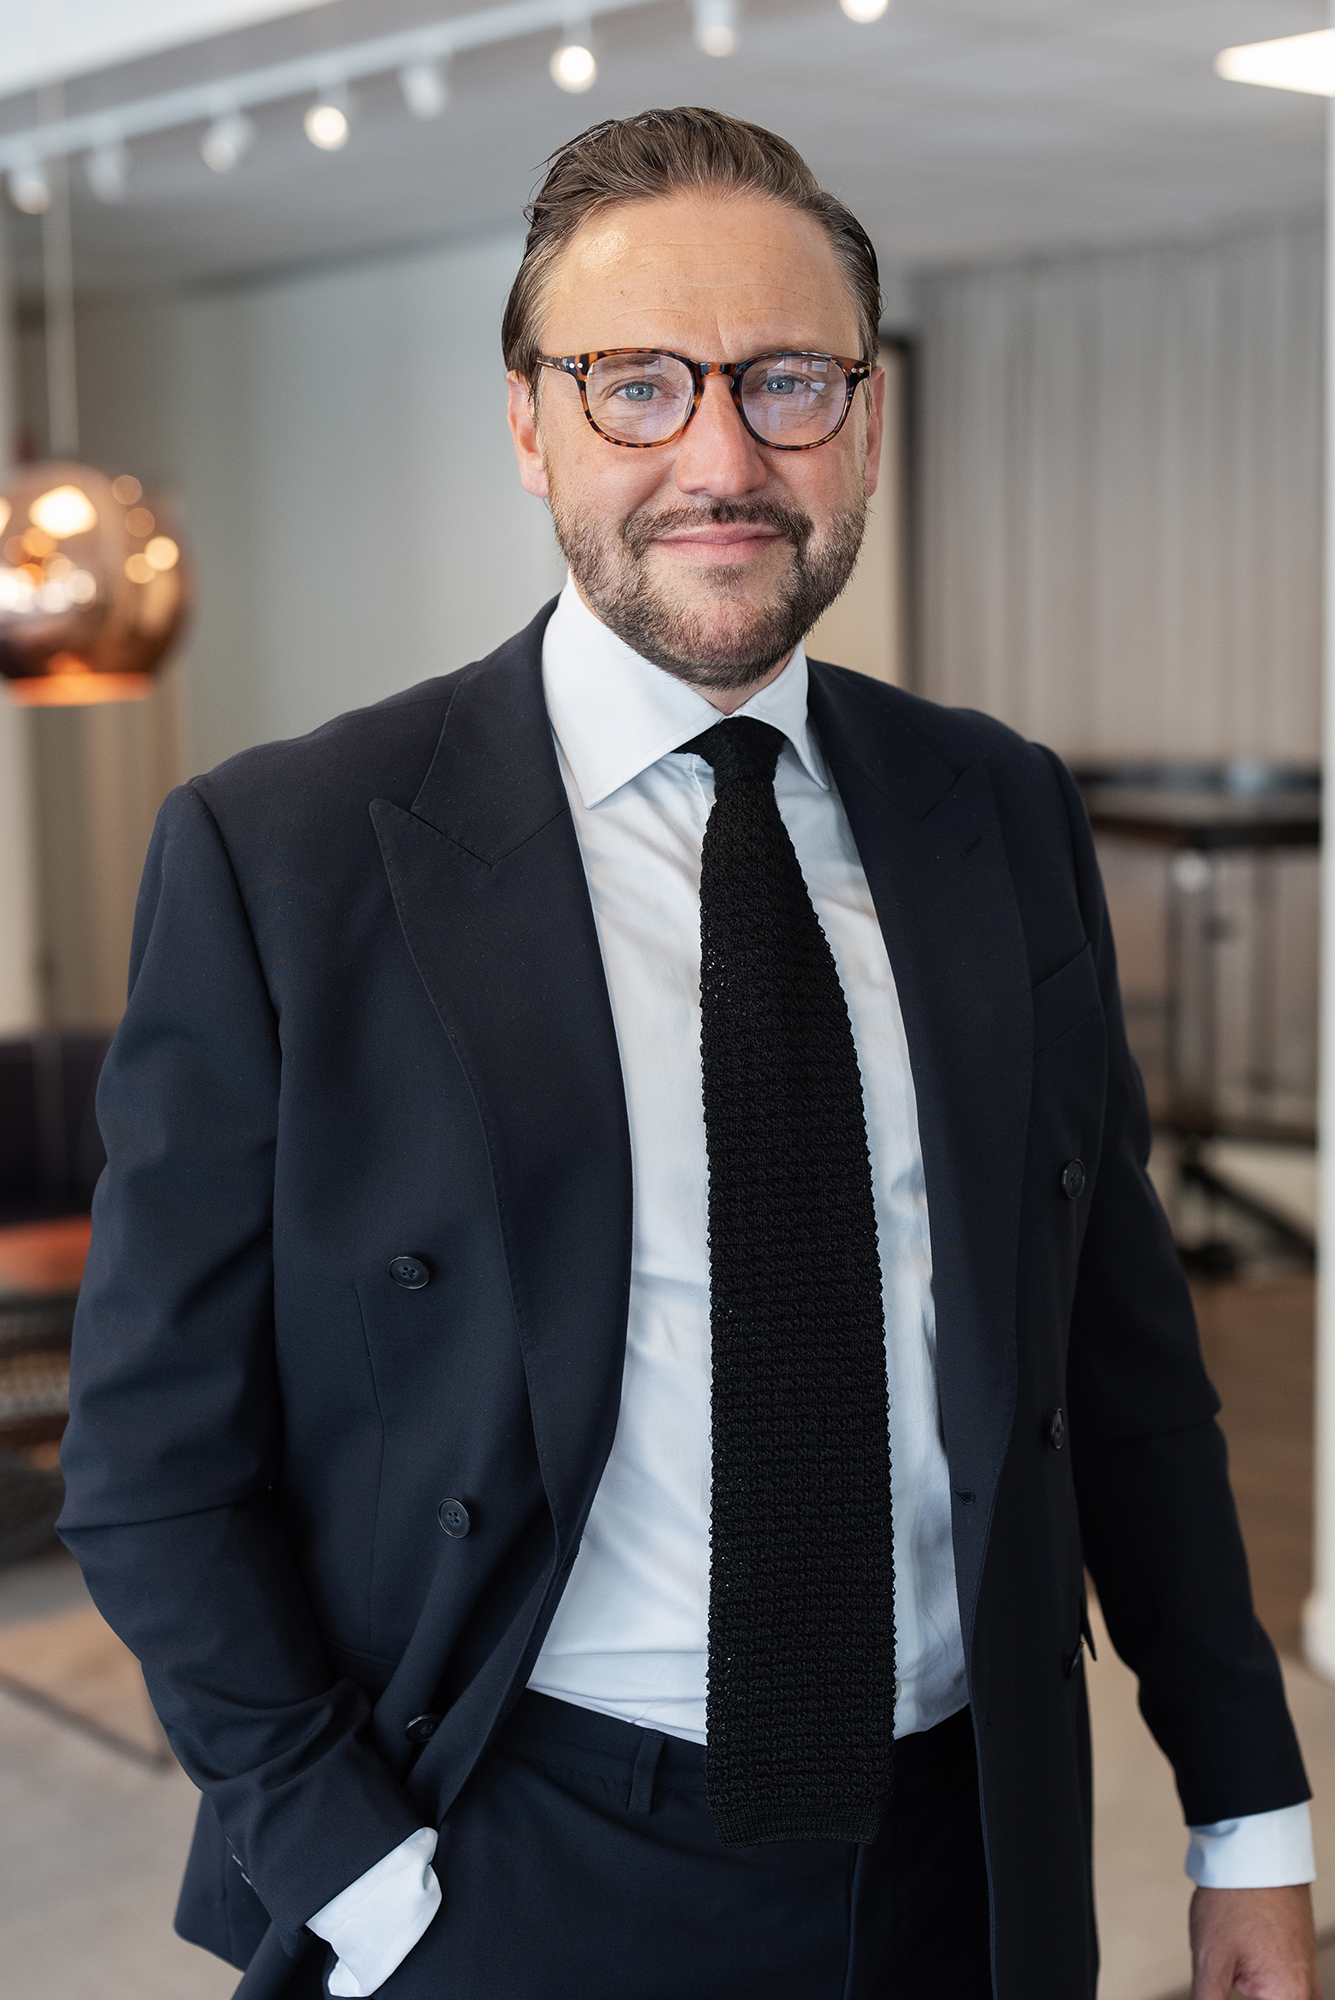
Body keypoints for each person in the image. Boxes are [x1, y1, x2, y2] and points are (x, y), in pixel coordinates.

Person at [58, 107, 1317, 2000]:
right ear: (529, 424)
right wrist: (354, 1872)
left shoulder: (998, 808)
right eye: (637, 385)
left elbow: (1118, 1370)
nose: (722, 460)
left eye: (788, 381)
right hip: (514, 1864)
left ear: (868, 422)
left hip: (963, 1865)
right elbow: (151, 1458)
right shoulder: (283, 853)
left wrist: (1250, 1822)